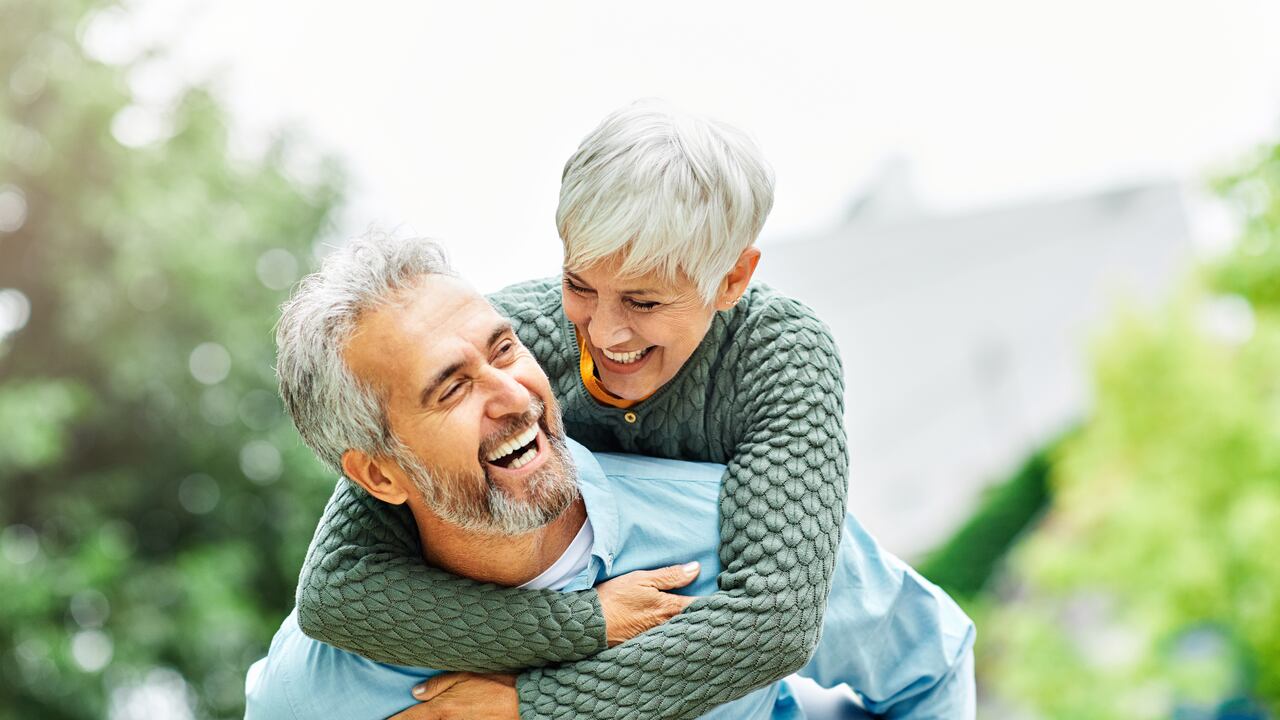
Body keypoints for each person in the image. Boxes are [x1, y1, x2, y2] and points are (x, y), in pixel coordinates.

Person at [246, 235, 976, 719]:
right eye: (451, 388)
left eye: (505, 349)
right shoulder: (317, 689)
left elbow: (930, 662)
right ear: (378, 474)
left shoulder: (729, 532)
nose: (511, 396)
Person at [292, 100, 852, 718]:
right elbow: (337, 589)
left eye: (643, 301)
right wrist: (583, 622)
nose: (604, 333)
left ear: (733, 278)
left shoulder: (781, 357)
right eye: (580, 285)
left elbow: (775, 621)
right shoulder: (508, 344)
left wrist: (533, 708)